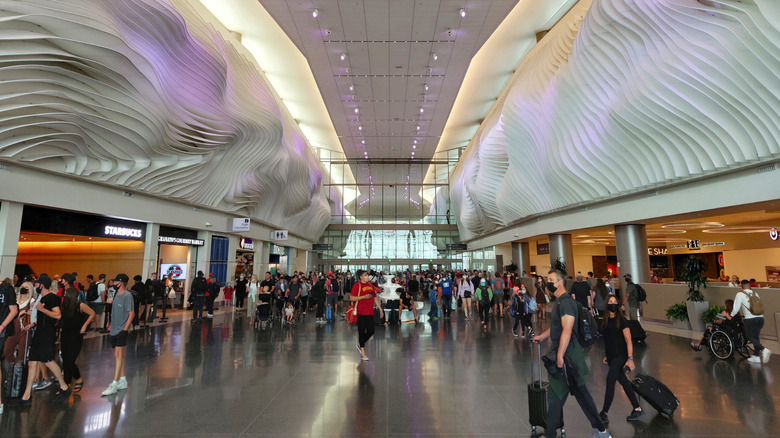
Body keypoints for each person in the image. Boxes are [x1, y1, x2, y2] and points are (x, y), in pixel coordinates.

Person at [532, 270, 610, 438]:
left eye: (551, 280)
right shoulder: (561, 303)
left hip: (569, 356)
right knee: (561, 396)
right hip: (567, 355)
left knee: (575, 395)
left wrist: (560, 355)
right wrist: (542, 336)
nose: (548, 283)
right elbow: (557, 327)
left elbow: (567, 330)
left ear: (560, 283)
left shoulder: (566, 303)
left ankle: (601, 431)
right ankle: (553, 432)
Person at [13, 274, 71, 407]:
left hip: (47, 335)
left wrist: (41, 308)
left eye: (37, 285)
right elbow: (40, 316)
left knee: (48, 362)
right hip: (38, 333)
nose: (35, 287)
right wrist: (32, 324)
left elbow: (57, 315)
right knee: (32, 363)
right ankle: (26, 396)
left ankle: (64, 387)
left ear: (42, 285)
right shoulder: (41, 298)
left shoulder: (51, 298)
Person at [599, 294, 643, 425]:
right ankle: (637, 408)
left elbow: (628, 340)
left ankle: (604, 413)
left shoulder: (622, 320)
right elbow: (609, 339)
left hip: (620, 356)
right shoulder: (606, 320)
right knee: (624, 382)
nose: (613, 303)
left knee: (610, 380)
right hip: (612, 357)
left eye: (615, 301)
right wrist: (607, 355)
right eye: (610, 301)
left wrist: (630, 358)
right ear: (607, 304)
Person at [59, 278, 96, 393]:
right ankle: (66, 385)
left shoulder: (80, 305)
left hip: (76, 336)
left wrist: (84, 326)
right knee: (65, 361)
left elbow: (92, 313)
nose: (64, 295)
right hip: (65, 334)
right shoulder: (64, 305)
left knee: (70, 361)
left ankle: (78, 379)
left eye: (65, 293)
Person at [102, 274, 135, 396]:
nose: (113, 283)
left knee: (118, 353)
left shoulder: (127, 295)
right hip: (114, 329)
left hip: (121, 329)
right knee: (117, 355)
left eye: (115, 281)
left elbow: (131, 314)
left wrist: (125, 329)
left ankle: (115, 383)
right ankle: (123, 380)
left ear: (120, 283)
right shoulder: (116, 294)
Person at [732, 280, 770, 364]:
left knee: (749, 336)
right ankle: (756, 356)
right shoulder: (755, 293)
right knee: (755, 337)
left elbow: (736, 308)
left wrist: (731, 315)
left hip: (750, 319)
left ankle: (763, 349)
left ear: (741, 286)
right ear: (750, 286)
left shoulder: (740, 294)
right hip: (760, 318)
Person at [350, 270, 383, 361]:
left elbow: (375, 297)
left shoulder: (371, 285)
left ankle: (360, 343)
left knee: (371, 331)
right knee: (361, 331)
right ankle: (363, 353)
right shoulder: (357, 285)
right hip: (361, 312)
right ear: (361, 277)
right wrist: (363, 297)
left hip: (370, 312)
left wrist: (380, 309)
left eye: (367, 275)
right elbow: (351, 298)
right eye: (365, 275)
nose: (367, 277)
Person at [0, 281, 20, 413]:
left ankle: (0, 402)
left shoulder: (6, 288)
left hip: (2, 331)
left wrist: (1, 326)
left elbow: (14, 311)